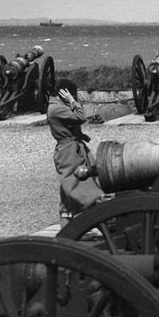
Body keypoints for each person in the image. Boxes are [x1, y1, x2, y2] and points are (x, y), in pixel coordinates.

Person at [47, 79, 107, 219]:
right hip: (69, 152)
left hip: (73, 147)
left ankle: (69, 225)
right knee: (75, 185)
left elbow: (68, 126)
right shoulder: (57, 108)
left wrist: (80, 135)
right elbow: (81, 117)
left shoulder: (58, 106)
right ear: (64, 93)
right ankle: (96, 208)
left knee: (70, 190)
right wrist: (73, 101)